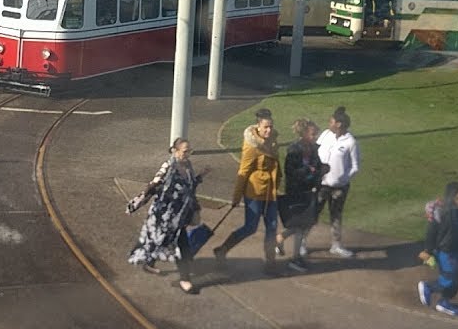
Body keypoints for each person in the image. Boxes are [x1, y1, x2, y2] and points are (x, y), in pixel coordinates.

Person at [127, 138, 209, 294]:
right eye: (185, 151)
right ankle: (185, 280)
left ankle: (149, 261)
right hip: (164, 215)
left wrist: (201, 176)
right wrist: (136, 204)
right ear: (175, 151)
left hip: (180, 214)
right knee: (181, 247)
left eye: (190, 151)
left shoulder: (188, 165)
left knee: (163, 241)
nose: (188, 154)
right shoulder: (168, 167)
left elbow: (189, 186)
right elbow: (152, 186)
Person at [214, 112, 281, 273]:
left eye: (271, 127)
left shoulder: (272, 141)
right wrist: (236, 197)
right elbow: (243, 172)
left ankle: (270, 263)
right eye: (265, 127)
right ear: (258, 126)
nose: (269, 131)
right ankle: (222, 249)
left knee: (272, 227)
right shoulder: (252, 147)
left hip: (270, 192)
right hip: (254, 192)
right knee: (250, 227)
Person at [418, 181, 458, 317]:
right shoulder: (441, 213)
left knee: (456, 279)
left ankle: (444, 302)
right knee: (449, 279)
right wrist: (427, 251)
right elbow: (431, 233)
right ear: (451, 197)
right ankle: (428, 287)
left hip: (455, 251)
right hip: (445, 252)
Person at [276, 118, 323, 272]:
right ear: (303, 133)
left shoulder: (314, 148)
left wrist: (322, 169)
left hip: (309, 190)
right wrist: (308, 171)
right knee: (300, 225)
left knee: (305, 223)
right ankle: (295, 258)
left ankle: (281, 238)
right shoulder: (294, 149)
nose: (315, 136)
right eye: (313, 133)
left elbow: (316, 165)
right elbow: (290, 172)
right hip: (296, 192)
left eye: (316, 133)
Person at [315, 107, 360, 258]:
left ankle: (336, 245)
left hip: (339, 187)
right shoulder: (326, 134)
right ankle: (301, 243)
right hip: (321, 184)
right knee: (313, 213)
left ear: (339, 124)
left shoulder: (350, 142)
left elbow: (355, 166)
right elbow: (316, 151)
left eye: (332, 121)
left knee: (336, 216)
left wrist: (343, 179)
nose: (329, 123)